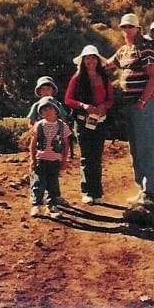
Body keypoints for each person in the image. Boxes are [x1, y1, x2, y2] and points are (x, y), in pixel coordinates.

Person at [107, 13, 154, 206]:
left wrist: (142, 100)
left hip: (142, 105)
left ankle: (150, 193)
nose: (127, 30)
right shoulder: (123, 51)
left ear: (138, 29)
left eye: (130, 27)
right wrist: (88, 60)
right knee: (135, 148)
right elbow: (107, 65)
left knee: (146, 146)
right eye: (124, 27)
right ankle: (142, 190)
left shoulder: (145, 49)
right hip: (128, 105)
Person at [64, 45, 114, 205]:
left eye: (93, 58)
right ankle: (87, 191)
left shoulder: (105, 78)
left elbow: (110, 100)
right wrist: (83, 106)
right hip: (82, 121)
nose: (90, 61)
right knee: (86, 157)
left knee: (97, 157)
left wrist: (103, 107)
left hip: (99, 122)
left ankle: (97, 192)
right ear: (83, 60)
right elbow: (68, 100)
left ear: (98, 60)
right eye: (87, 58)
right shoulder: (77, 78)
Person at [28, 96, 71, 219]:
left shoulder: (62, 126)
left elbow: (66, 144)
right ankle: (36, 205)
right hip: (41, 160)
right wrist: (32, 159)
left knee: (52, 183)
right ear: (40, 113)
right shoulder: (39, 125)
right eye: (44, 110)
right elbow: (33, 143)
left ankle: (51, 206)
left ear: (56, 110)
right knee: (38, 182)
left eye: (50, 109)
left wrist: (64, 160)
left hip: (55, 161)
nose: (47, 112)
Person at [26, 76, 76, 163]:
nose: (46, 92)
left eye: (48, 89)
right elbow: (31, 122)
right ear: (39, 92)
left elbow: (64, 119)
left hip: (56, 135)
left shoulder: (58, 105)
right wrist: (36, 130)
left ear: (52, 91)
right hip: (40, 135)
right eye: (43, 89)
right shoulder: (36, 105)